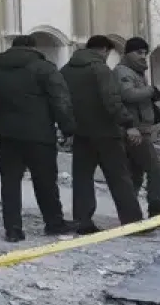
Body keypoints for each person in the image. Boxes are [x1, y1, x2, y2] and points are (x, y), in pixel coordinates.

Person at [0, 35, 76, 242]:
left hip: (6, 134)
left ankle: (13, 229)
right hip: (39, 134)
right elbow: (60, 99)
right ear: (32, 48)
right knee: (45, 181)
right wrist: (67, 127)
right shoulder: (44, 68)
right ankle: (54, 223)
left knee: (10, 182)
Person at [60, 35, 144, 234]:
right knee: (119, 178)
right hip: (106, 132)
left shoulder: (65, 70)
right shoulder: (101, 69)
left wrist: (67, 128)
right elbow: (112, 100)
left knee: (82, 178)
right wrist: (128, 123)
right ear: (104, 50)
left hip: (81, 133)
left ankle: (83, 221)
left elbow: (62, 102)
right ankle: (132, 222)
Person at [115, 37, 160, 228]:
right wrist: (152, 90)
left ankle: (132, 215)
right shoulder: (123, 72)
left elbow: (139, 97)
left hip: (139, 129)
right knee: (156, 170)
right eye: (138, 52)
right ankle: (154, 212)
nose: (142, 56)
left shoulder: (136, 72)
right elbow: (127, 95)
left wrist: (156, 93)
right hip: (133, 131)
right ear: (127, 53)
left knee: (135, 173)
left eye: (145, 53)